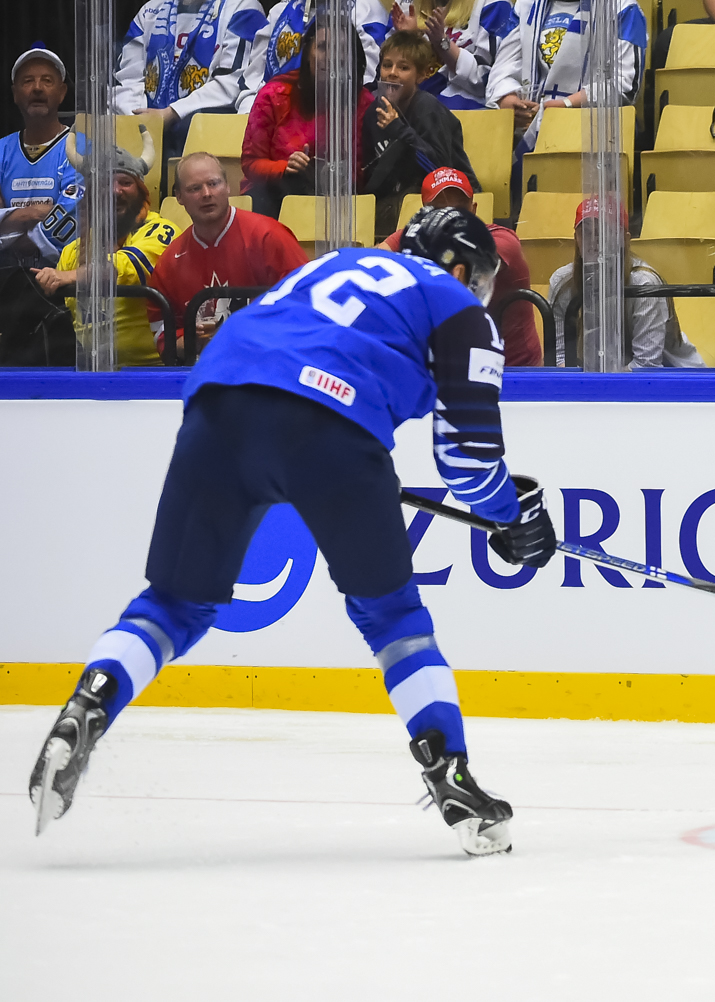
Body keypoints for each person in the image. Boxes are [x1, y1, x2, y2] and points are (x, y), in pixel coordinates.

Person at [27, 207, 558, 857]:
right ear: (456, 265)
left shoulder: (333, 263)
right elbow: (468, 463)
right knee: (393, 619)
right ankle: (451, 774)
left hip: (217, 406)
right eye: (479, 275)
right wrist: (512, 516)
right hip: (330, 427)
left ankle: (93, 697)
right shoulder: (456, 304)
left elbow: (289, 352)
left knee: (173, 605)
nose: (480, 290)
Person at [32, 129, 178, 367]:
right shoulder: (72, 251)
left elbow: (122, 268)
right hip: (90, 375)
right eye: (104, 183)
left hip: (153, 375)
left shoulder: (162, 231)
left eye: (125, 182)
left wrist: (68, 276)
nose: (114, 191)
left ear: (142, 192)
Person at [146, 151, 307, 358]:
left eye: (213, 184)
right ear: (178, 196)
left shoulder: (269, 237)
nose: (206, 194)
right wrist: (187, 343)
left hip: (269, 368)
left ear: (228, 186)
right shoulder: (170, 261)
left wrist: (239, 334)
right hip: (203, 376)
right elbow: (163, 335)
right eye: (194, 188)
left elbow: (304, 306)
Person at [381, 166, 537, 365]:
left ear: (474, 209)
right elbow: (377, 259)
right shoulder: (419, 236)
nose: (452, 217)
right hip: (455, 369)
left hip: (517, 372)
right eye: (440, 210)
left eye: (460, 209)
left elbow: (462, 266)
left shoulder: (503, 241)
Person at [546, 198, 704, 368]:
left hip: (676, 382)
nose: (594, 240)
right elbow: (559, 356)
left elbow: (646, 366)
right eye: (586, 232)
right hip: (607, 381)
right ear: (576, 238)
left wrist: (597, 387)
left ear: (624, 239)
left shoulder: (644, 284)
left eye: (605, 232)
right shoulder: (561, 282)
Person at [242, 16, 375, 218]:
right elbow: (251, 164)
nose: (331, 56)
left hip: (339, 202)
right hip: (275, 195)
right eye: (322, 47)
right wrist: (286, 167)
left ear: (351, 58)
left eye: (340, 49)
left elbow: (365, 174)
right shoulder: (275, 94)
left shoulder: (364, 103)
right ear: (307, 54)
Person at [0, 48, 81, 366]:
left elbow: (72, 219)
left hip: (59, 284)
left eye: (47, 80)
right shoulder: (2, 150)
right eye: (28, 81)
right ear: (15, 94)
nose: (37, 87)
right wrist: (32, 213)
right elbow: (53, 212)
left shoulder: (81, 149)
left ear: (62, 93)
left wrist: (8, 225)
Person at [363, 28, 482, 234]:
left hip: (450, 200)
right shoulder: (375, 112)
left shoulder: (427, 108)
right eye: (387, 65)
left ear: (421, 75)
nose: (392, 72)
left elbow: (439, 170)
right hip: (398, 202)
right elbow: (370, 172)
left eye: (404, 67)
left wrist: (398, 129)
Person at [114, 0, 271, 152]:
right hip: (145, 135)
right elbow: (127, 79)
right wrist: (135, 120)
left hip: (203, 137)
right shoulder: (149, 11)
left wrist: (172, 113)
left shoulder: (243, 8)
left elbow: (232, 82)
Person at [506, 0, 647, 154]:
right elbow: (504, 66)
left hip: (595, 130)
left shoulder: (624, 8)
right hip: (530, 126)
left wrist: (567, 104)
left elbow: (625, 85)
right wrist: (508, 99)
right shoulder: (526, 4)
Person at [238, 0, 396, 112]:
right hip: (271, 117)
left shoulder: (365, 9)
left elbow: (365, 82)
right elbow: (252, 84)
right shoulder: (280, 11)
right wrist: (254, 116)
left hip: (333, 122)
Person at [390, 0, 525, 113]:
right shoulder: (418, 6)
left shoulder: (494, 5)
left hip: (466, 115)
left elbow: (484, 79)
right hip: (419, 110)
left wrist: (444, 44)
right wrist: (410, 39)